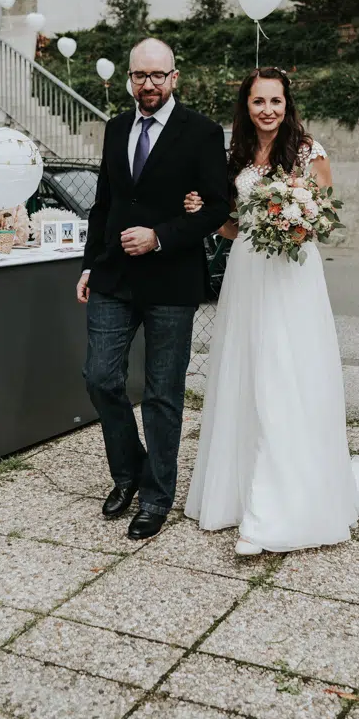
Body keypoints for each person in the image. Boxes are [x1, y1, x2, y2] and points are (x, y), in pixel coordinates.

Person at [184, 67, 359, 555]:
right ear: (246, 106)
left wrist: (291, 220)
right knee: (247, 373)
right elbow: (234, 226)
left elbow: (322, 219)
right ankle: (239, 494)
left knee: (285, 375)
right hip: (247, 273)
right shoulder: (235, 155)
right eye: (259, 101)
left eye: (275, 101)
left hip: (292, 277)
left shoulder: (307, 151)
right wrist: (204, 216)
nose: (268, 110)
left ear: (287, 103)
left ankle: (276, 510)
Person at [77, 38, 230, 541]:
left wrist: (160, 236)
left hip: (171, 281)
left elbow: (216, 207)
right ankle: (129, 472)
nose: (148, 84)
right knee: (100, 378)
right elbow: (104, 204)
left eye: (157, 75)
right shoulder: (116, 127)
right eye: (140, 75)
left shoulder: (202, 132)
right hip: (113, 276)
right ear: (129, 78)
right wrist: (89, 265)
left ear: (174, 77)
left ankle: (156, 497)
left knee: (163, 394)